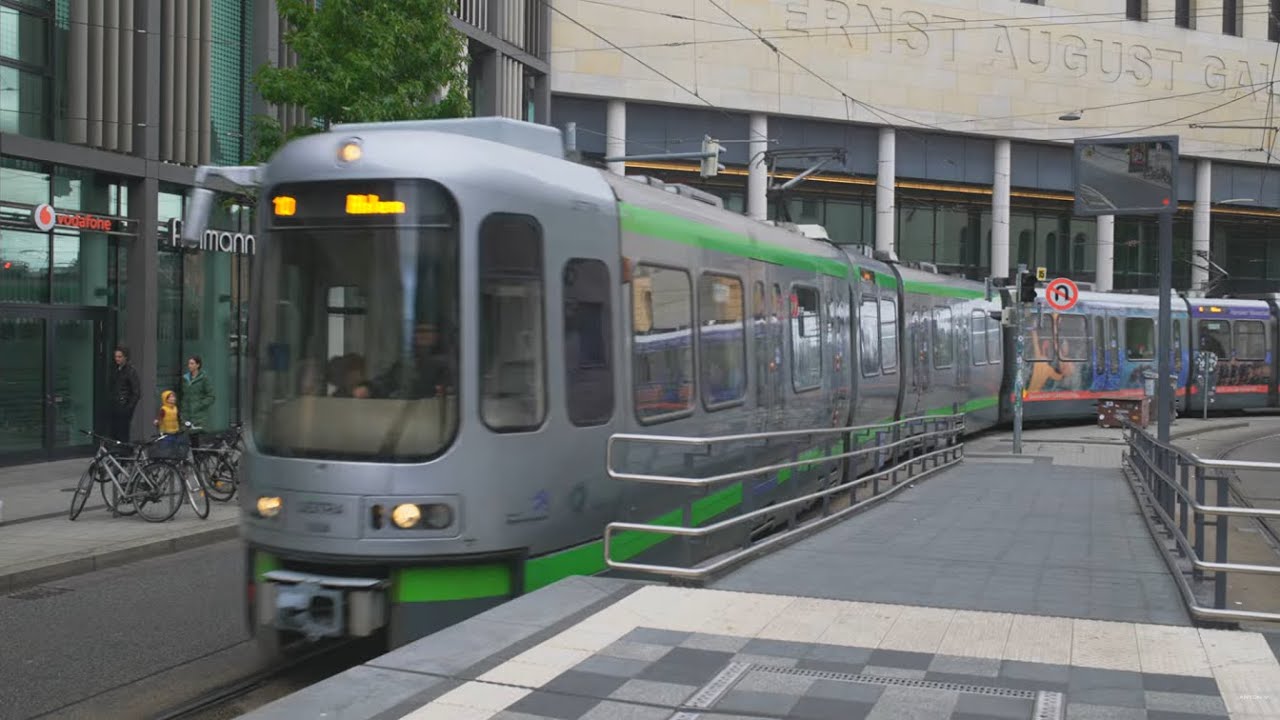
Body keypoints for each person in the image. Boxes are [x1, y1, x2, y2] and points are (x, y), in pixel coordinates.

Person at [109, 345, 140, 442]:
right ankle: (117, 451)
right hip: (116, 404)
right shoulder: (117, 370)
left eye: (119, 357)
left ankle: (124, 451)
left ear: (125, 357)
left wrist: (128, 408)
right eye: (116, 357)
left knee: (123, 431)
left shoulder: (130, 371)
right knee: (115, 430)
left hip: (124, 405)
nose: (117, 359)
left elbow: (136, 392)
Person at [180, 355, 214, 445]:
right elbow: (182, 395)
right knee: (187, 441)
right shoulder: (185, 379)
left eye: (192, 363)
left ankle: (200, 458)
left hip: (199, 416)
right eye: (189, 363)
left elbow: (211, 396)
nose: (189, 366)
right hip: (186, 415)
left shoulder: (204, 379)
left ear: (197, 365)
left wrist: (199, 404)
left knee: (196, 441)